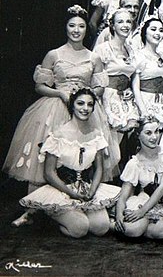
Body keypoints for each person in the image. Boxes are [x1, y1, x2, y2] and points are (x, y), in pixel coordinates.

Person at [4, 5, 118, 227]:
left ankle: (74, 208)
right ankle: (33, 210)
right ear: (65, 28)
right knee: (41, 161)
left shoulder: (94, 57)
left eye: (81, 26)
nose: (76, 30)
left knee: (80, 160)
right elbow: (39, 86)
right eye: (72, 25)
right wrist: (61, 93)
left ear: (87, 30)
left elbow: (100, 87)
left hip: (84, 110)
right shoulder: (54, 54)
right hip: (55, 107)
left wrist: (87, 98)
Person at [19, 89, 120, 238]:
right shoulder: (58, 135)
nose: (85, 108)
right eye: (80, 103)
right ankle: (50, 216)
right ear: (72, 105)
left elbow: (99, 169)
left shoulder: (96, 135)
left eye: (90, 104)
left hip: (86, 188)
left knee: (101, 228)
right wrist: (71, 193)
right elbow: (49, 173)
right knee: (80, 229)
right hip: (62, 189)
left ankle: (78, 212)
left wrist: (92, 190)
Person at [113, 116, 163, 239]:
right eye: (148, 133)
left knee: (162, 232)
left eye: (157, 131)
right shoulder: (134, 163)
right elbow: (123, 195)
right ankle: (123, 226)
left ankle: (143, 226)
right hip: (143, 200)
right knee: (133, 230)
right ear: (138, 135)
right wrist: (119, 215)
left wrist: (142, 212)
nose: (154, 137)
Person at [94, 9, 139, 146]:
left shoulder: (131, 49)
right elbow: (95, 79)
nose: (125, 25)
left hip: (124, 99)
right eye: (120, 22)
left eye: (128, 22)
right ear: (112, 25)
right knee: (107, 146)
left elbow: (131, 75)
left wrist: (129, 88)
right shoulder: (103, 49)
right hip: (106, 98)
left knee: (120, 149)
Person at [131, 18, 163, 120]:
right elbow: (136, 87)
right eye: (153, 29)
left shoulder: (162, 56)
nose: (158, 33)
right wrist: (143, 111)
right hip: (144, 101)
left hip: (161, 101)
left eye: (161, 30)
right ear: (144, 32)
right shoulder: (138, 55)